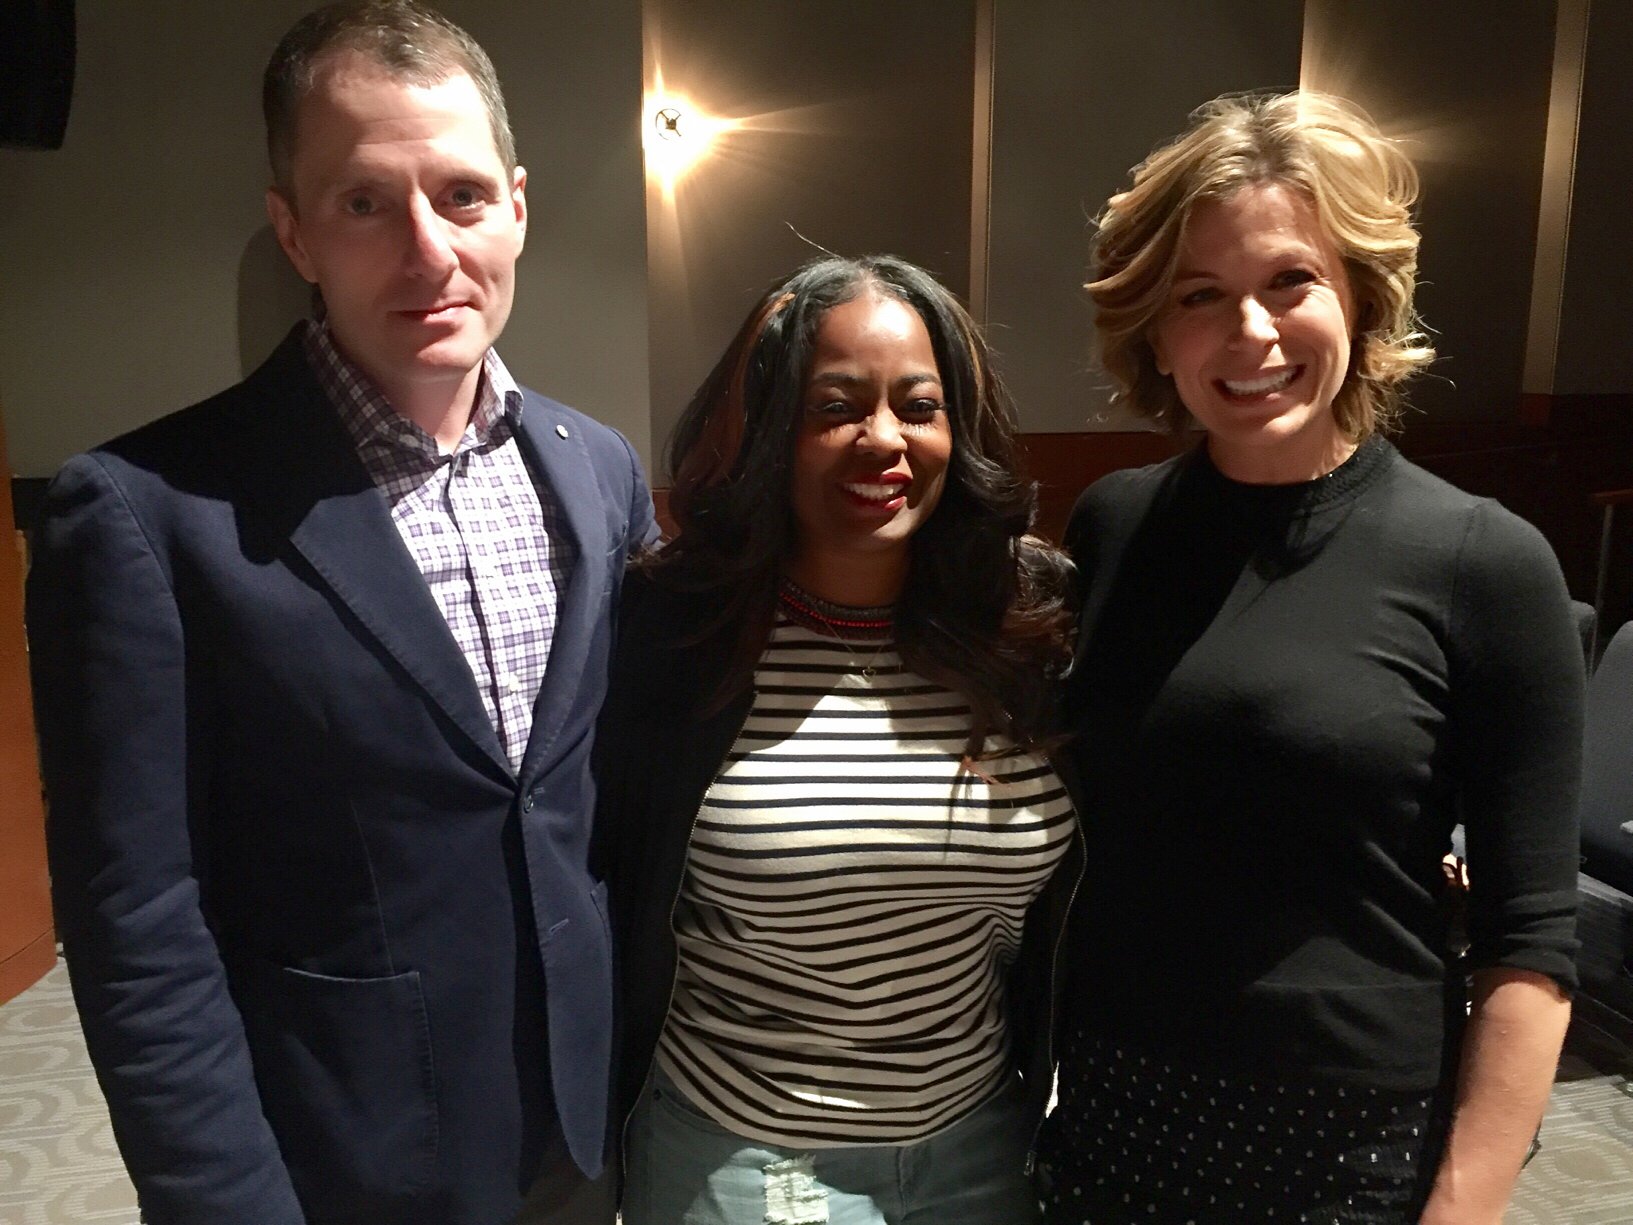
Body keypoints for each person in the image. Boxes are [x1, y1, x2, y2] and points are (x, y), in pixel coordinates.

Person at [26, 4, 654, 1222]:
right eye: (365, 202)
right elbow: (138, 924)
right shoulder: (146, 512)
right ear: (294, 230)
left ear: (517, 206)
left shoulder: (600, 470)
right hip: (342, 1160)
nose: (428, 250)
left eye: (462, 195)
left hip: (581, 1138)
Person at [1037, 92, 1583, 1224]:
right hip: (1111, 1109)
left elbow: (1529, 946)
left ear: (1359, 297)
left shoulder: (1483, 561)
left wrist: (1461, 1208)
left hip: (1347, 1140)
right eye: (1200, 294)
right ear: (1154, 329)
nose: (1251, 332)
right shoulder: (1111, 525)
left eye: (1291, 280)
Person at [592, 254, 1080, 1224]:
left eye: (919, 406)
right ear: (771, 430)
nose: (884, 439)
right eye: (836, 407)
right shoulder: (677, 631)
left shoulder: (1025, 625)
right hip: (742, 1156)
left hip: (982, 1145)